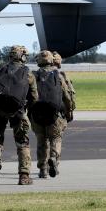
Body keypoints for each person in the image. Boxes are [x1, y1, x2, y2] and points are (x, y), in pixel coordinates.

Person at [0, 45, 38, 185]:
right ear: (23, 57)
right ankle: (24, 176)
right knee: (22, 142)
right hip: (18, 112)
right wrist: (28, 110)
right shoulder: (28, 73)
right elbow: (34, 97)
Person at [30, 50, 72, 178]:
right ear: (51, 60)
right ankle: (53, 158)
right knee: (56, 138)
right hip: (54, 114)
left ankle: (42, 169)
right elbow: (66, 96)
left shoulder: (32, 75)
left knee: (41, 141)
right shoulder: (58, 76)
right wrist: (69, 110)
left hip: (36, 114)